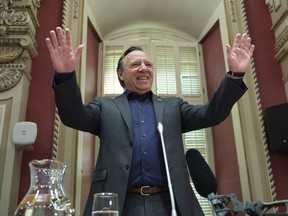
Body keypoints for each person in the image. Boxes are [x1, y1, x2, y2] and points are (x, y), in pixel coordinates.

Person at [46, 27, 255, 216]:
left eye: (148, 64)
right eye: (135, 64)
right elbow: (73, 116)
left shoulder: (174, 106)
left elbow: (213, 114)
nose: (144, 68)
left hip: (170, 202)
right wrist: (65, 75)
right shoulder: (104, 107)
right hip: (120, 202)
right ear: (121, 74)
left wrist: (236, 75)